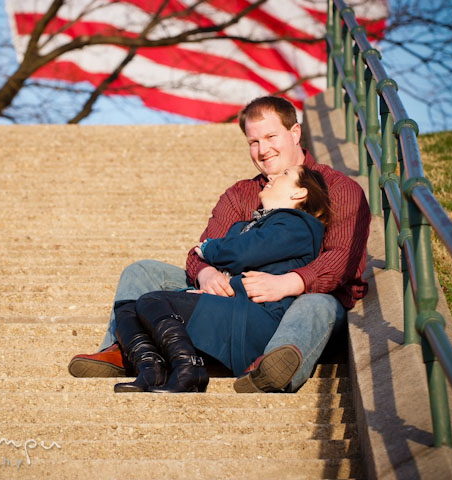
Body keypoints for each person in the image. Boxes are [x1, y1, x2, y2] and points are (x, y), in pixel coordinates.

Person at [68, 95, 371, 393]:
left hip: (298, 300)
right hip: (236, 295)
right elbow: (202, 249)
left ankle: (273, 365)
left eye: (270, 136)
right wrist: (206, 274)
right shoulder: (240, 195)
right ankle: (125, 349)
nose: (263, 150)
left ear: (295, 133)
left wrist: (289, 282)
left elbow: (343, 260)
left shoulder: (339, 189)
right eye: (253, 142)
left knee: (318, 304)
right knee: (143, 272)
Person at [113, 165, 330, 393]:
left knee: (152, 302)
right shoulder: (250, 226)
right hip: (231, 308)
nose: (273, 176)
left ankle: (189, 369)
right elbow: (233, 257)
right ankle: (151, 370)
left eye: (285, 174)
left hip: (255, 319)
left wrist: (208, 247)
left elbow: (242, 253)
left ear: (300, 193)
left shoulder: (298, 226)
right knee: (128, 307)